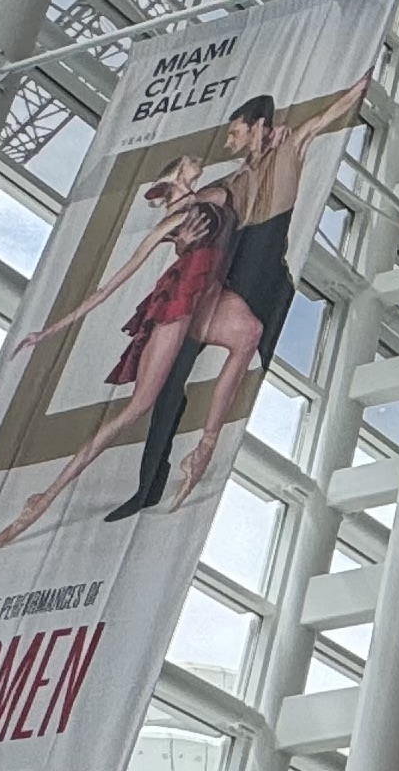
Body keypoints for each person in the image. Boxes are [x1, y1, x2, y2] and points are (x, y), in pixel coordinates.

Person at [117, 74, 371, 515]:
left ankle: (215, 448)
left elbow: (332, 113)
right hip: (230, 275)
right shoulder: (232, 181)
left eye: (236, 130)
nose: (230, 139)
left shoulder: (290, 148)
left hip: (268, 272)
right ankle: (148, 484)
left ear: (258, 125)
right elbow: (185, 217)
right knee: (176, 369)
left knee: (260, 347)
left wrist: (364, 80)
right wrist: (178, 224)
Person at [0, 160, 268, 548]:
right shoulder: (171, 223)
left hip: (212, 296)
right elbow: (112, 285)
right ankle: (44, 498)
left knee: (250, 332)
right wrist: (49, 329)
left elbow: (234, 189)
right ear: (171, 179)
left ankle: (204, 447)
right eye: (186, 165)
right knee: (138, 407)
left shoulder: (213, 196)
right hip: (180, 303)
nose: (193, 162)